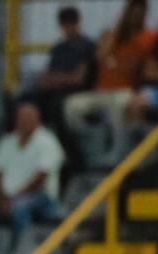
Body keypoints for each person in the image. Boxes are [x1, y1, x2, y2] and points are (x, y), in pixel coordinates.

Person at [63, 0, 156, 162]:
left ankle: (118, 153)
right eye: (132, 11)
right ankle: (91, 147)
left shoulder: (149, 37)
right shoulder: (111, 37)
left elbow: (149, 68)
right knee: (71, 106)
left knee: (120, 103)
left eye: (140, 11)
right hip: (100, 92)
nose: (135, 15)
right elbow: (100, 57)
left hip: (125, 91)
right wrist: (117, 32)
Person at [0, 101, 64, 238]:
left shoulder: (48, 141)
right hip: (6, 196)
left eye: (29, 117)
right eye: (21, 117)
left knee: (19, 209)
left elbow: (40, 178)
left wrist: (14, 198)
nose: (24, 120)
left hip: (39, 196)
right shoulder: (7, 141)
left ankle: (23, 248)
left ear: (37, 119)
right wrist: (1, 198)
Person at [33, 6, 96, 124]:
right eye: (65, 25)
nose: (68, 28)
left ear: (77, 23)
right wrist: (64, 77)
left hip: (76, 91)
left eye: (70, 24)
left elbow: (78, 79)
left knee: (57, 104)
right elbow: (46, 77)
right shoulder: (58, 48)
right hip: (54, 89)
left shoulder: (87, 46)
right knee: (27, 99)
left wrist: (58, 78)